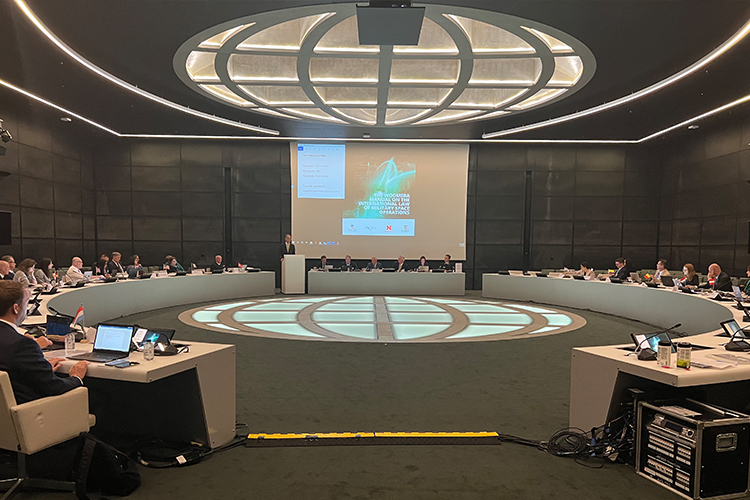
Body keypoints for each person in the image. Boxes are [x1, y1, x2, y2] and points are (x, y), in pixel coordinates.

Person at [0, 281, 89, 404]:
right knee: (99, 398)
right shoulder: (22, 345)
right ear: (16, 308)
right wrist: (76, 377)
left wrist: (40, 370)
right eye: (27, 303)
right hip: (32, 412)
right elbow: (55, 387)